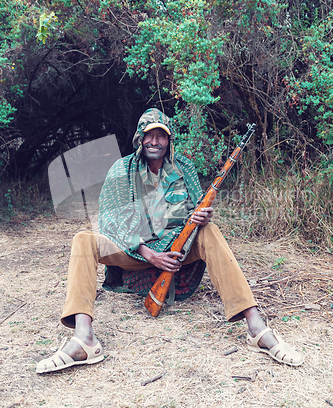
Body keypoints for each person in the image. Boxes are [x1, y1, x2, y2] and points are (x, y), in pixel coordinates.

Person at [36, 109, 303, 373]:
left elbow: (195, 213)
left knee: (210, 231)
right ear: (139, 139)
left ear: (168, 140)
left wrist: (203, 216)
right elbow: (110, 219)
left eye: (161, 136)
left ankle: (256, 327)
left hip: (177, 253)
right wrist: (149, 253)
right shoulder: (122, 168)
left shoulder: (184, 167)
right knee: (83, 239)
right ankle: (85, 339)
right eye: (149, 135)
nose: (154, 141)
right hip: (136, 253)